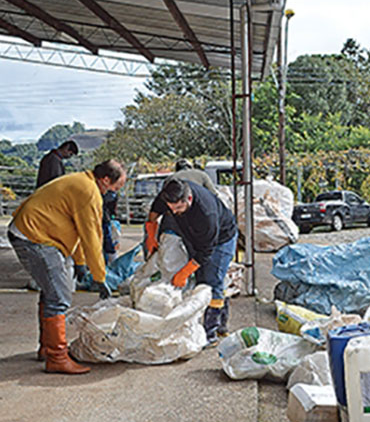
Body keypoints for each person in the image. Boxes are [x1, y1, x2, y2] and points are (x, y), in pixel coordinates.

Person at [8, 160, 126, 374]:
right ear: (105, 180)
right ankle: (57, 357)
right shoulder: (89, 191)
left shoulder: (82, 182)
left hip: (33, 233)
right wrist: (100, 277)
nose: (115, 193)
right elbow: (91, 236)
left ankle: (47, 348)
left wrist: (81, 263)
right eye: (116, 188)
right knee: (60, 296)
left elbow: (77, 230)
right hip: (35, 237)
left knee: (51, 291)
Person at [144, 177, 237, 343]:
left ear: (189, 198)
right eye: (171, 209)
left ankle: (211, 332)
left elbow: (205, 251)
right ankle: (213, 323)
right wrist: (151, 234)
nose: (174, 212)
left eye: (179, 208)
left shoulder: (206, 213)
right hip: (193, 235)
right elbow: (155, 211)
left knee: (211, 280)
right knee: (201, 280)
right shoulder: (169, 195)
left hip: (221, 239)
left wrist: (184, 272)